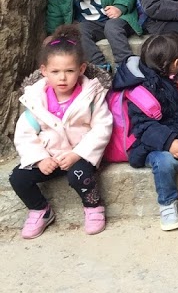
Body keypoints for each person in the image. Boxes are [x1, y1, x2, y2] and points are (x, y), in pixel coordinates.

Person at [111, 33, 178, 232]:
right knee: (165, 161)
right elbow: (142, 126)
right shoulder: (140, 87)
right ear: (177, 62)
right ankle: (168, 204)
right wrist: (168, 141)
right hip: (149, 145)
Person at [9, 25, 111, 239]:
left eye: (69, 71)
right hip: (50, 157)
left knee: (79, 175)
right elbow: (25, 134)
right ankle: (40, 210)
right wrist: (39, 159)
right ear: (44, 71)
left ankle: (93, 206)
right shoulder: (37, 99)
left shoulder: (91, 95)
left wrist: (77, 154)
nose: (62, 78)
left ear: (81, 69)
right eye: (55, 72)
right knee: (18, 177)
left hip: (79, 155)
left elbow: (102, 127)